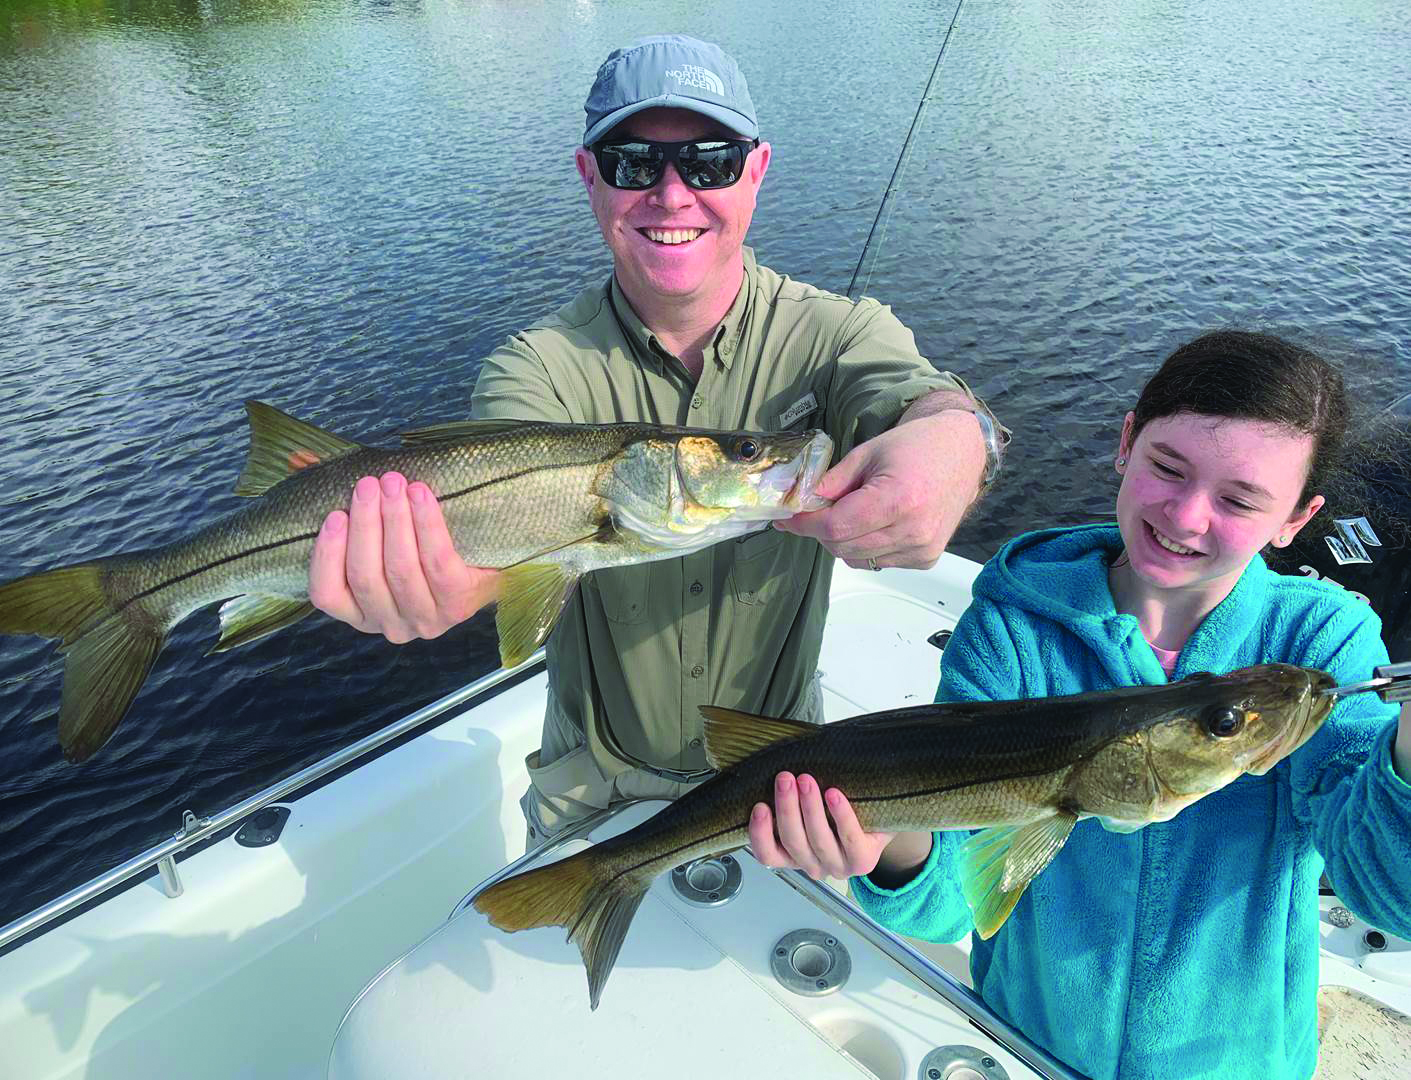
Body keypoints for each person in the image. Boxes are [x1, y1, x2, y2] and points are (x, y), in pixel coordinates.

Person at [306, 35, 1007, 840]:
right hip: (588, 793)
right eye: (634, 163)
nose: (672, 195)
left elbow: (924, 403)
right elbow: (486, 573)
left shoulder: (842, 333)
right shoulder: (535, 370)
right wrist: (424, 587)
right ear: (588, 177)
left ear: (757, 170)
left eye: (709, 161)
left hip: (789, 790)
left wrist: (957, 443)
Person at [749, 330, 1411, 1080]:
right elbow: (950, 906)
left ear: (1295, 518)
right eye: (1168, 466)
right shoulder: (1011, 633)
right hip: (1023, 1047)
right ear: (1125, 442)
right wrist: (886, 845)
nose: (1187, 516)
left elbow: (1392, 895)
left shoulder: (1321, 639)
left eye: (1238, 499)